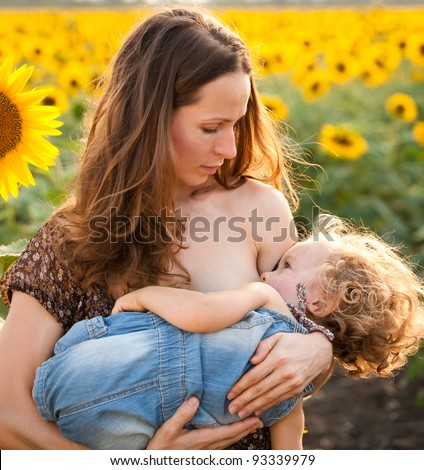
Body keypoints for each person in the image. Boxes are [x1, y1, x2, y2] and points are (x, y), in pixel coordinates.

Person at [0, 7, 333, 450]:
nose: (230, 146)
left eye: (236, 123)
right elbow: (8, 417)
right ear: (148, 120)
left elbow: (300, 321)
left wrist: (319, 351)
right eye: (210, 127)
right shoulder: (72, 239)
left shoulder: (261, 209)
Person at [32, 215, 424, 450]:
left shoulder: (264, 298)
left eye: (287, 267)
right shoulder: (292, 390)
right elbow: (290, 453)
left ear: (320, 302)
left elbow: (201, 313)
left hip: (80, 376)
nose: (269, 273)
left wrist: (144, 297)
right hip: (119, 431)